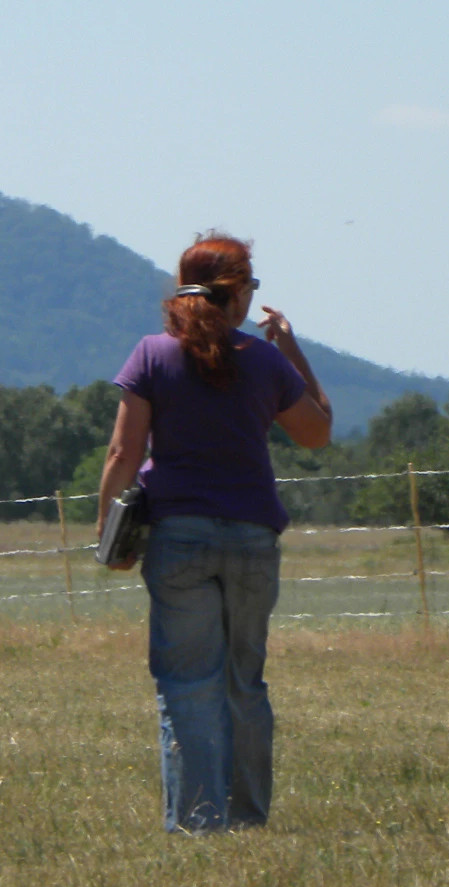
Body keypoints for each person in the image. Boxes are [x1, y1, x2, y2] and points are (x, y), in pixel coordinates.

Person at [98, 233, 332, 833]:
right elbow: (317, 431)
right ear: (237, 294)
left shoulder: (152, 355)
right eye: (251, 287)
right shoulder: (263, 360)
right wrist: (291, 350)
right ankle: (248, 819)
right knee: (243, 684)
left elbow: (125, 452)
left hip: (179, 539)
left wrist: (108, 538)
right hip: (253, 540)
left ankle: (200, 824)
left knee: (187, 685)